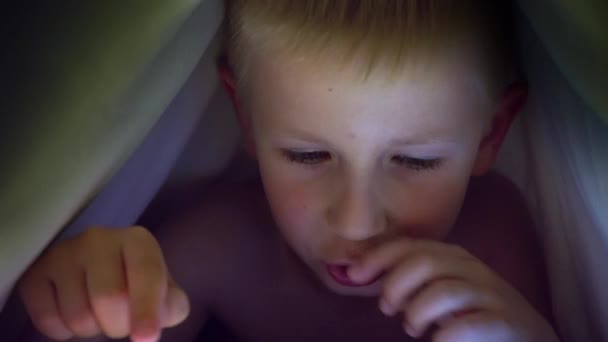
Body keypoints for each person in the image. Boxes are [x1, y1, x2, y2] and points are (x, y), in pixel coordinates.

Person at [17, 1, 560, 341]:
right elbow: (131, 321)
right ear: (247, 121)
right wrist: (95, 306)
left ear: (491, 135)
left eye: (415, 161)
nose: (356, 221)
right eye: (307, 156)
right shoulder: (225, 244)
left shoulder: (495, 242)